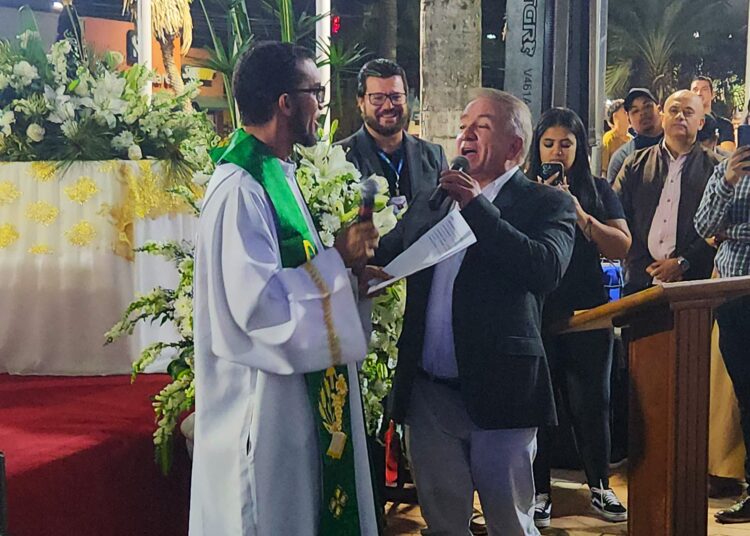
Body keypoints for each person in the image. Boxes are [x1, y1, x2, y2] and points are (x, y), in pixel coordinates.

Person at [189, 42, 383, 536]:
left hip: (290, 398)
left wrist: (351, 281)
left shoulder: (275, 173)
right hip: (260, 406)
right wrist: (337, 259)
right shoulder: (241, 189)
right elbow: (258, 308)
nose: (322, 103)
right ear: (285, 102)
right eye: (315, 92)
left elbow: (293, 280)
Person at [374, 88, 577, 536]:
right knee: (444, 523)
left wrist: (477, 207)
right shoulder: (435, 196)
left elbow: (543, 269)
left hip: (503, 393)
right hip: (429, 395)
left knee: (510, 522)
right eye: (463, 126)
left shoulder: (548, 203)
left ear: (515, 148)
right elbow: (388, 257)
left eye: (480, 128)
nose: (465, 136)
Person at [527, 108, 632, 528]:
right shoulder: (522, 190)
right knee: (540, 407)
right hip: (538, 314)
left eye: (566, 145)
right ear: (536, 148)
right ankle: (539, 492)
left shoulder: (598, 188)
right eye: (549, 144)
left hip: (590, 313)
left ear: (580, 148)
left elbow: (622, 245)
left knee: (593, 404)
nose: (557, 152)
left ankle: (600, 486)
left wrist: (581, 216)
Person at [695, 145, 750, 523]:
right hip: (732, 296)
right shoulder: (726, 170)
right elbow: (703, 225)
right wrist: (729, 180)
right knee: (747, 398)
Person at [614, 90, 716, 294]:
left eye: (688, 112)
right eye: (674, 110)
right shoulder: (635, 163)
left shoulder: (716, 169)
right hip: (640, 280)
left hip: (693, 285)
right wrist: (642, 263)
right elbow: (617, 216)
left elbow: (718, 229)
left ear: (701, 123)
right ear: (663, 117)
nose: (680, 116)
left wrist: (683, 263)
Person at [338, 59, 447, 209]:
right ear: (361, 102)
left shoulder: (434, 156)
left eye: (396, 97)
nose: (388, 106)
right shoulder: (340, 158)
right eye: (377, 98)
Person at [607, 88, 664, 184]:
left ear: (659, 109)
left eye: (647, 106)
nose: (642, 113)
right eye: (635, 111)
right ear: (629, 120)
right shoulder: (623, 157)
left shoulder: (676, 146)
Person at [691, 75, 736, 152]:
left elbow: (727, 154)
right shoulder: (685, 123)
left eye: (704, 89)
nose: (699, 93)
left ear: (713, 94)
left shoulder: (725, 125)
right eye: (695, 90)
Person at [601, 99, 630, 176]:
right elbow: (603, 170)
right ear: (615, 116)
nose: (628, 115)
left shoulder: (632, 140)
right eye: (624, 112)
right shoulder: (609, 138)